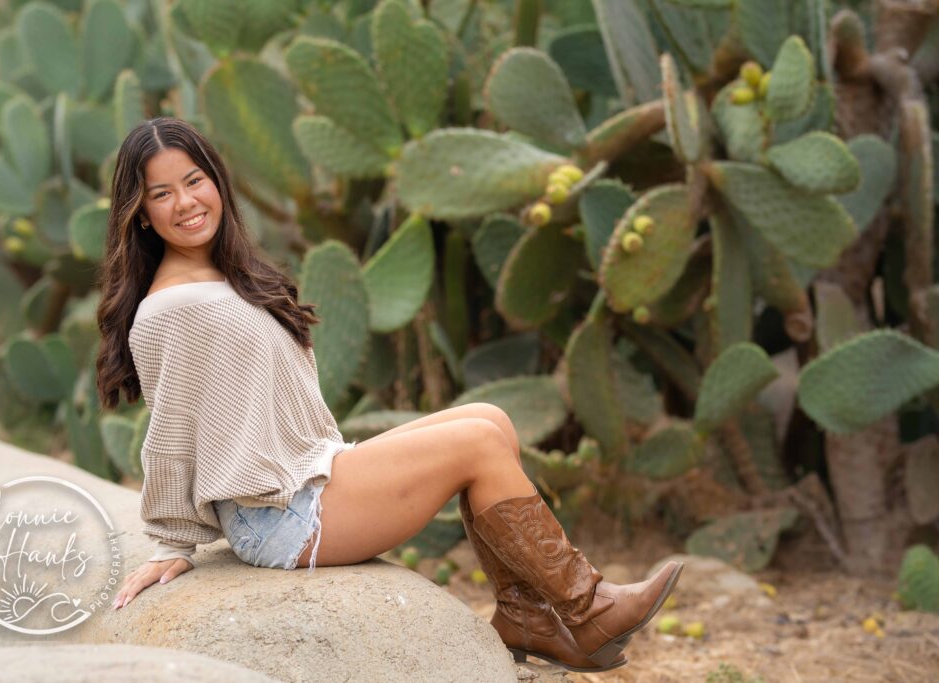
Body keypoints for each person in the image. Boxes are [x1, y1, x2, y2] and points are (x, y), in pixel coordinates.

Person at [94, 117, 682, 672]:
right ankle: (588, 608)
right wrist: (172, 542)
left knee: (491, 420)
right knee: (477, 444)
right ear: (140, 213)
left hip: (308, 477)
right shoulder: (170, 309)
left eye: (194, 181)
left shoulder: (223, 276)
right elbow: (169, 429)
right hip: (277, 517)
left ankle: (525, 616)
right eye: (162, 193)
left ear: (217, 182)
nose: (186, 202)